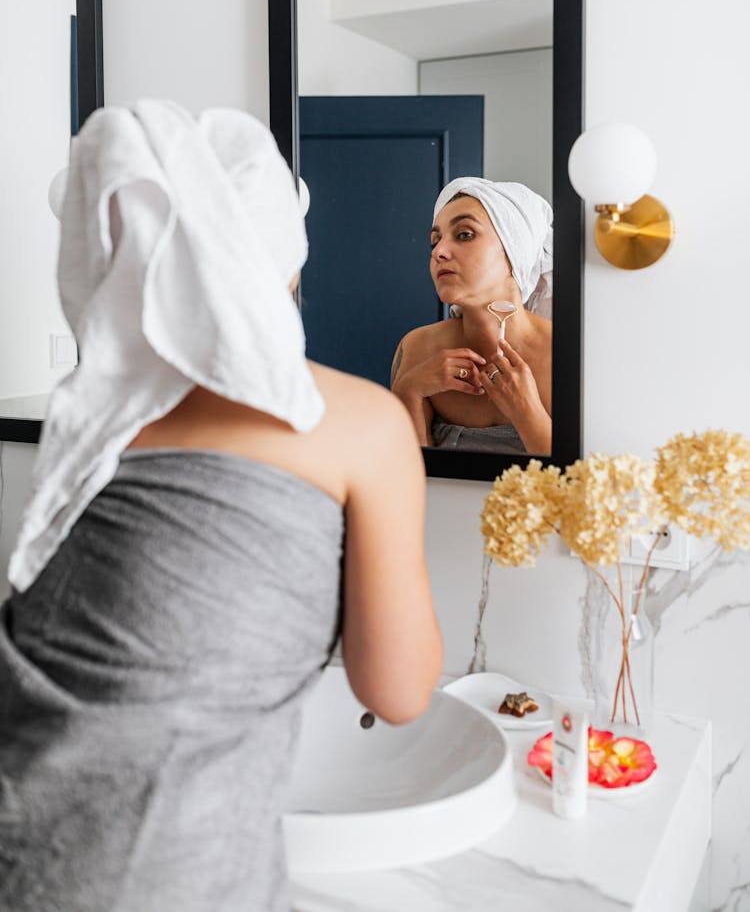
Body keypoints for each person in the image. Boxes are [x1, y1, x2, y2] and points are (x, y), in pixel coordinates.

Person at [0, 101, 442, 912]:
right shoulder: (352, 420)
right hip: (172, 881)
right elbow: (400, 690)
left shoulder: (84, 418)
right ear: (282, 259)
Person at [390, 177, 553, 454]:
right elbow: (408, 481)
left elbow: (580, 486)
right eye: (434, 241)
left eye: (464, 234)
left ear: (515, 251)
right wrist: (409, 392)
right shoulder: (416, 350)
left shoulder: (563, 356)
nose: (439, 252)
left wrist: (526, 412)